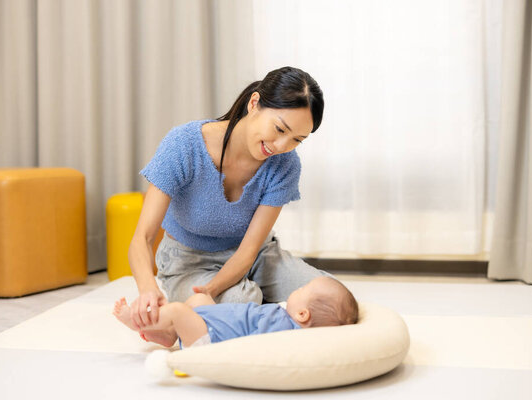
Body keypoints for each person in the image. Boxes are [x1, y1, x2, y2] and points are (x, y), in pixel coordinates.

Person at [128, 66, 330, 332]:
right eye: (280, 129)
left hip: (256, 257)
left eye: (296, 140)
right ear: (254, 103)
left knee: (329, 296)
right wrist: (148, 290)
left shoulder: (285, 165)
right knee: (243, 300)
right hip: (189, 261)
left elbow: (248, 251)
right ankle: (246, 312)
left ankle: (233, 315)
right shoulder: (184, 145)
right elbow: (142, 237)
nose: (281, 147)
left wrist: (210, 292)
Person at [113, 277, 359, 348]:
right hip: (213, 324)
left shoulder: (286, 332)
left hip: (212, 339)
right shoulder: (288, 317)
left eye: (303, 288)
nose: (298, 287)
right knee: (200, 298)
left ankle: (138, 322)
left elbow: (256, 347)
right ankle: (169, 335)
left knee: (177, 309)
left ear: (303, 315)